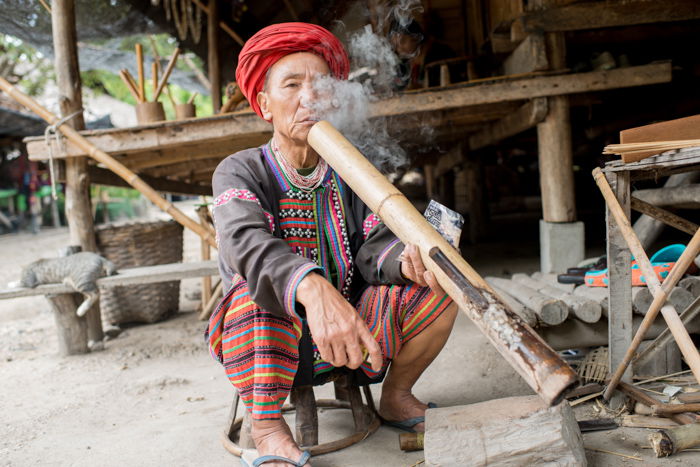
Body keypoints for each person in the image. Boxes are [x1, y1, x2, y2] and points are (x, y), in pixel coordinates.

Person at [206, 22, 457, 467]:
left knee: (442, 286)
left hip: (354, 338)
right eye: (292, 85)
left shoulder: (350, 170)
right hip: (266, 343)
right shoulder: (239, 170)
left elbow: (375, 247)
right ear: (265, 104)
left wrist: (410, 260)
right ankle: (266, 426)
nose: (309, 97)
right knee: (253, 289)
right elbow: (245, 243)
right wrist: (312, 287)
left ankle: (397, 397)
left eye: (320, 85)